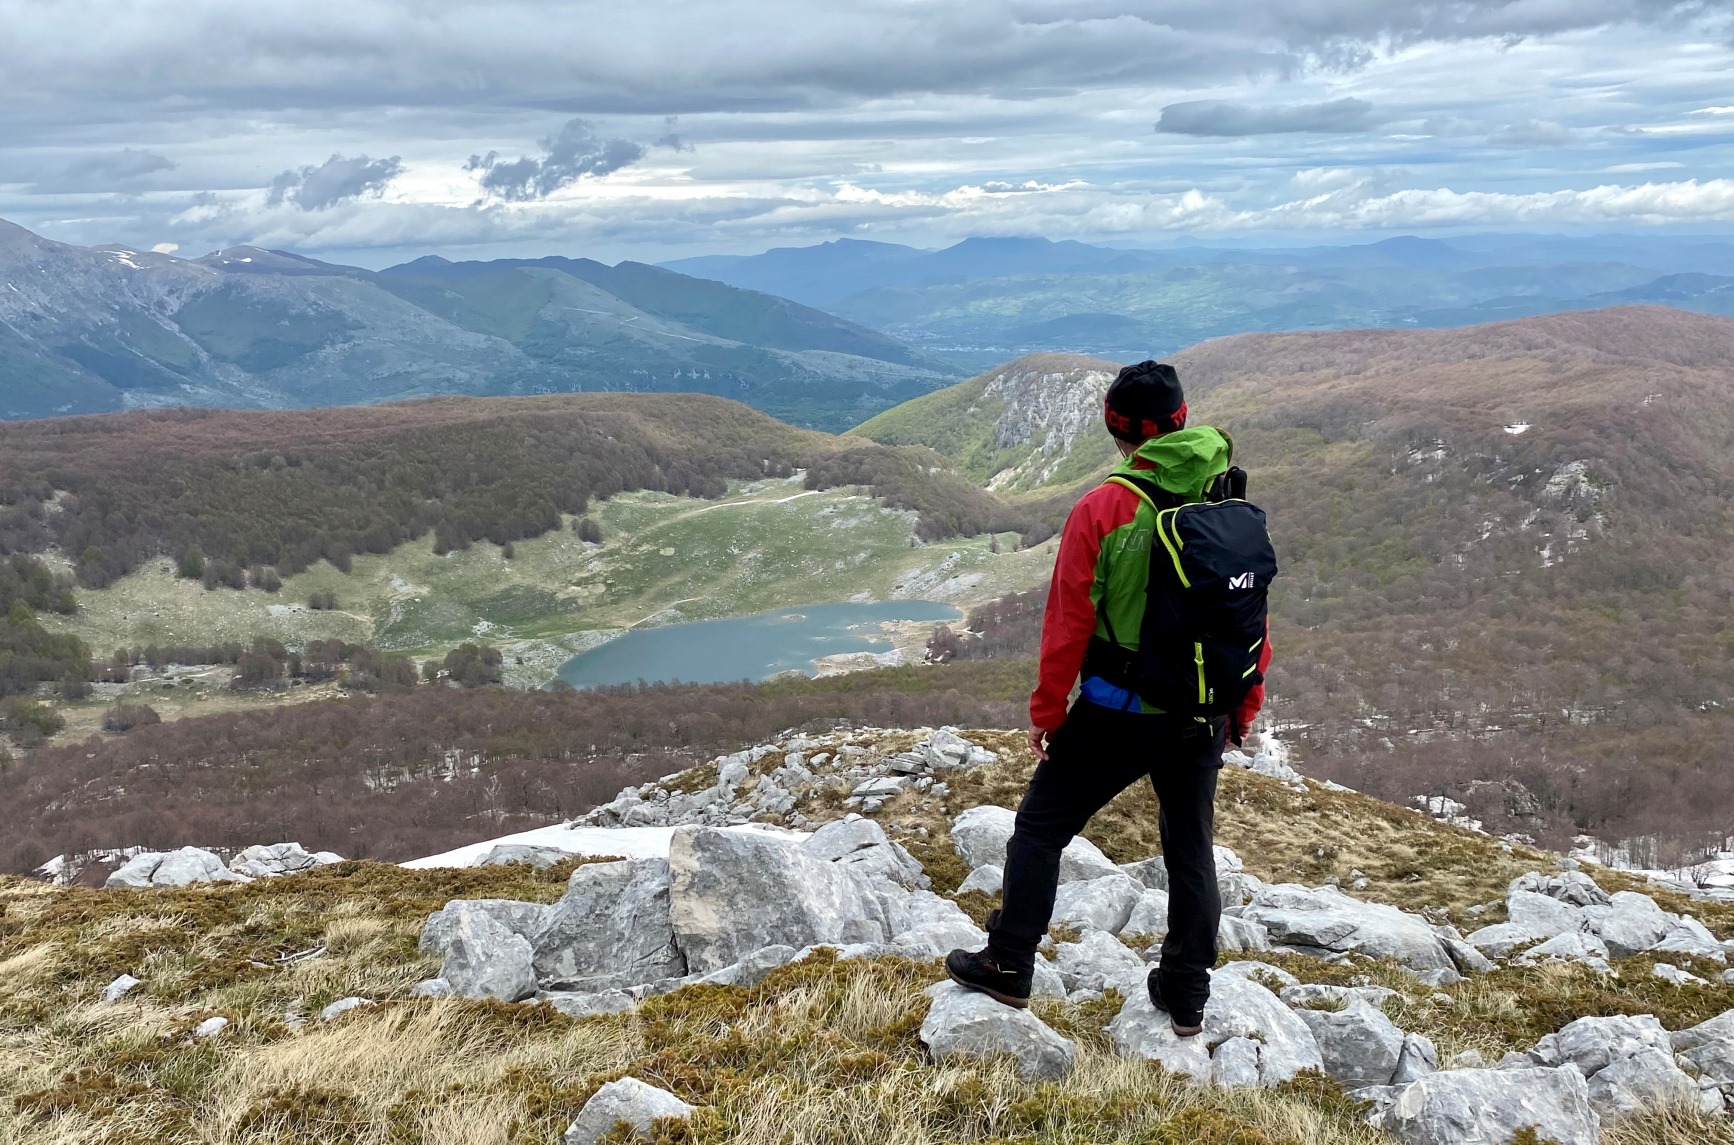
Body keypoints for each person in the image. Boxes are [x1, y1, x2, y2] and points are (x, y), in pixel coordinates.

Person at [945, 359, 1272, 1036]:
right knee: (1190, 849)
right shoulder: (1225, 495)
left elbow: (1067, 623)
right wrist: (1244, 702)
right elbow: (1247, 618)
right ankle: (1185, 993)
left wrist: (1045, 713)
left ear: (1118, 430)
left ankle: (1009, 963)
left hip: (1116, 711)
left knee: (1039, 827)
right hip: (1200, 713)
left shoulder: (1105, 508)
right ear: (1182, 418)